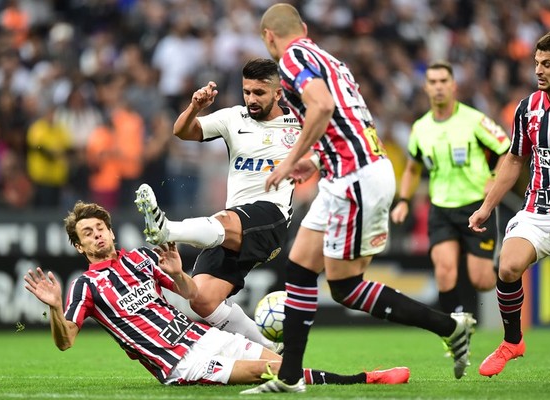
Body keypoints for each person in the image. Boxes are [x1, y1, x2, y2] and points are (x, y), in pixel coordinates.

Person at [243, 4, 477, 394]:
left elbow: (322, 107)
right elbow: (347, 123)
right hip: (347, 173)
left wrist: (290, 160)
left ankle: (451, 327)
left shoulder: (293, 59)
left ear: (269, 37)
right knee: (299, 268)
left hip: (355, 179)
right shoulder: (330, 60)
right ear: (302, 27)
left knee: (346, 286)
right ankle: (290, 378)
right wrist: (316, 160)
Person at [24, 201, 410, 386]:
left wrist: (178, 275)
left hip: (202, 335)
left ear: (109, 230)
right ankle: (366, 378)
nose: (96, 235)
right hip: (179, 363)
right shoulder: (84, 286)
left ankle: (360, 378)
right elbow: (65, 343)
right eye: (86, 233)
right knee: (274, 371)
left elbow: (192, 294)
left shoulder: (142, 258)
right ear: (79, 247)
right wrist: (57, 309)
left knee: (284, 362)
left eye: (99, 228)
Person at [135, 58, 300, 354]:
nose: (251, 99)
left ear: (277, 94)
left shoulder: (299, 124)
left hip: (270, 218)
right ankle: (272, 350)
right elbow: (182, 131)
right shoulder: (232, 118)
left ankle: (167, 229)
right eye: (246, 91)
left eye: (259, 93)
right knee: (201, 299)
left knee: (223, 220)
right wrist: (195, 107)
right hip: (232, 226)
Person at [468, 31, 550, 383]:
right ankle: (512, 342)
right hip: (536, 209)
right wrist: (487, 206)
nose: (538, 70)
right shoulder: (527, 109)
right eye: (536, 63)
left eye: (547, 64)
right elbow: (515, 160)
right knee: (507, 268)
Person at [391, 61, 511, 314]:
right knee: (444, 272)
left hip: (476, 206)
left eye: (443, 81)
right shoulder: (420, 128)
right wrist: (403, 200)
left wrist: (494, 177)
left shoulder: (474, 119)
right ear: (426, 87)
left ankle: (507, 268)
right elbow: (413, 168)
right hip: (441, 207)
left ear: (453, 85)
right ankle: (455, 331)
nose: (438, 87)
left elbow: (506, 149)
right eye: (433, 82)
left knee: (482, 280)